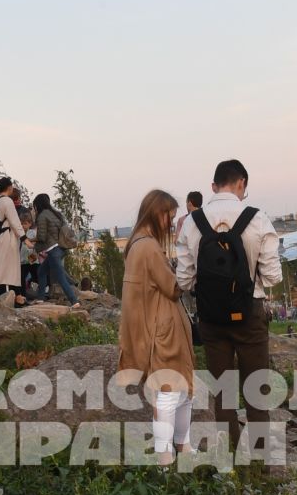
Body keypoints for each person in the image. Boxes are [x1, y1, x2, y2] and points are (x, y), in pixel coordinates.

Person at [176, 158, 282, 455]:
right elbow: (272, 276)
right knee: (256, 392)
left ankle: (231, 459)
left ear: (213, 185)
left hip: (211, 319)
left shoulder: (192, 224)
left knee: (223, 394)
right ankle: (259, 460)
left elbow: (184, 280)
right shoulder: (257, 219)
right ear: (241, 184)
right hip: (250, 315)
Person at [118, 189, 197, 466]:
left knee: (177, 391)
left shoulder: (136, 244)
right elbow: (174, 287)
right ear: (156, 213)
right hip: (163, 330)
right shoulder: (149, 247)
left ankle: (181, 449)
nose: (170, 223)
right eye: (169, 216)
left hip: (153, 328)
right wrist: (188, 267)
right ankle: (168, 457)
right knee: (171, 393)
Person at [30, 191, 81, 307]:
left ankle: (74, 301)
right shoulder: (56, 214)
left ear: (38, 205)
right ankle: (40, 297)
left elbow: (42, 237)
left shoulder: (42, 216)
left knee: (60, 277)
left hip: (53, 250)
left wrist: (30, 241)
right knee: (41, 271)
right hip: (61, 248)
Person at [0, 177, 26, 298]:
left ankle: (6, 297)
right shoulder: (7, 201)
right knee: (7, 272)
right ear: (9, 188)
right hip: (6, 238)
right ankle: (9, 299)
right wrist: (24, 238)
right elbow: (15, 222)